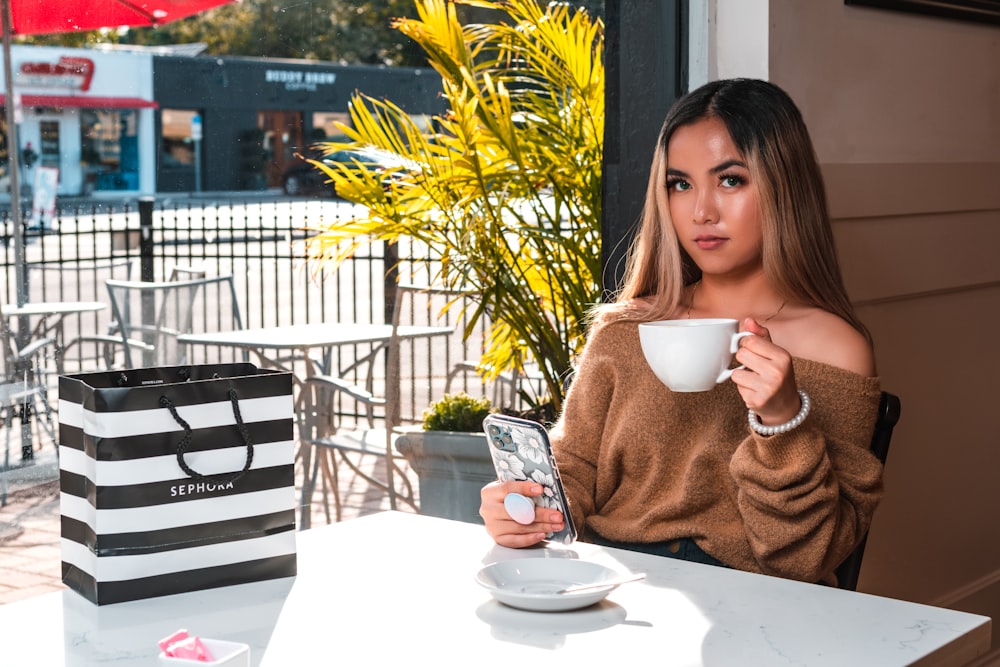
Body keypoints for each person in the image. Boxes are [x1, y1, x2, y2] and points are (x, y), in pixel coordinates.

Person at [479, 78, 883, 586]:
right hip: (612, 587)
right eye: (680, 183)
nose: (701, 212)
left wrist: (783, 420)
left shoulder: (836, 348)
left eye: (731, 180)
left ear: (785, 185)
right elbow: (575, 469)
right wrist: (528, 512)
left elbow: (808, 557)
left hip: (758, 607)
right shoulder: (627, 330)